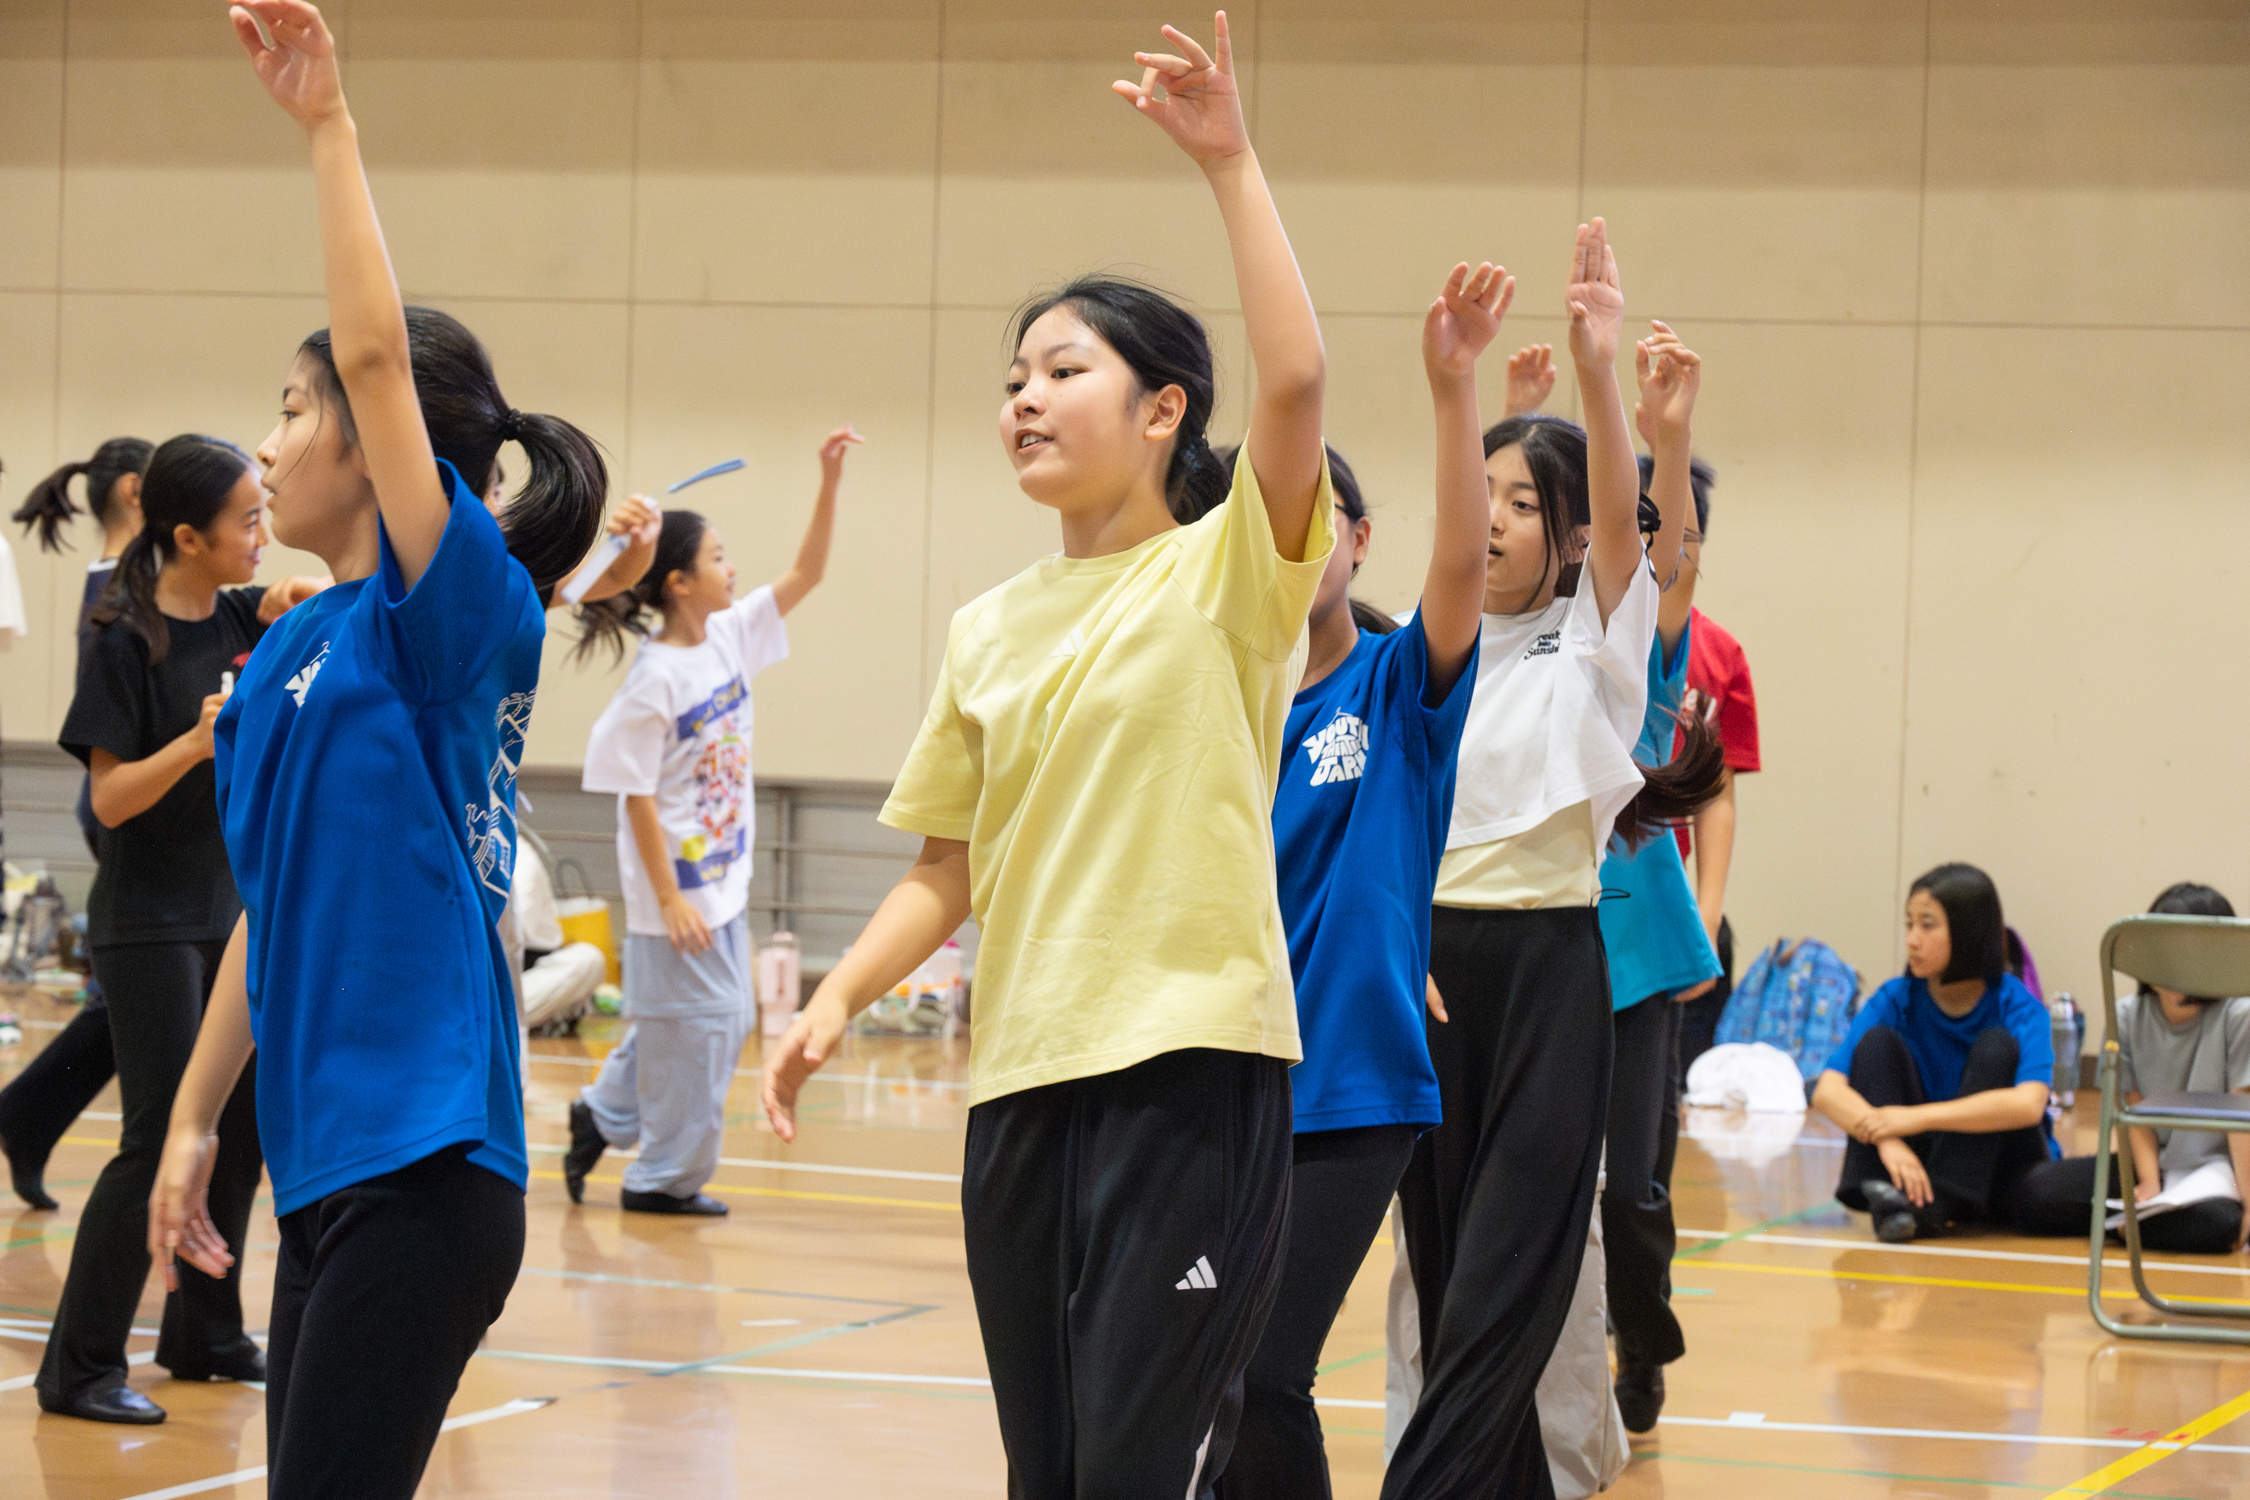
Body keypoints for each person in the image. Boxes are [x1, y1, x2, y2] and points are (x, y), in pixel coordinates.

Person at [762, 18, 1331, 1492]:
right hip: (1020, 1083)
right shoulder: (989, 626)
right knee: (1050, 1474)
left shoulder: (1228, 574)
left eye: (1060, 370)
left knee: (1135, 1472)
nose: (1021, 394)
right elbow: (947, 868)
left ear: (1160, 410)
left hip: (1189, 1071)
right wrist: (830, 1001)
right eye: (1012, 373)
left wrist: (1229, 159)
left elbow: (1295, 385)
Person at [149, 5, 610, 1494]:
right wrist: (194, 1125)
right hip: (324, 1159)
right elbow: (266, 920)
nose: (268, 445)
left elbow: (372, 351)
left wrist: (328, 127)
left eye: (291, 412)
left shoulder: (451, 614)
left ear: (373, 438)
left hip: (429, 1163)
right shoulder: (286, 643)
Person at [1387, 223, 1719, 1500]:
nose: (1502, 524)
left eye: (1531, 508)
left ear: (1574, 539)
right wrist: (1459, 390)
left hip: (1548, 966)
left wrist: (1597, 370)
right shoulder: (1441, 649)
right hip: (1430, 971)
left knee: (1511, 1279)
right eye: (1495, 503)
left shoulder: (1595, 647)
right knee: (1446, 1259)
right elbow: (1456, 537)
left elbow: (1643, 541)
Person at [1212, 262, 1502, 1497]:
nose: (1299, 542)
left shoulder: (1395, 689)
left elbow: (1462, 571)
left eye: (1323, 519)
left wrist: (1453, 388)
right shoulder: (1215, 707)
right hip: (1218, 1081)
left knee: (1263, 1366)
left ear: (1356, 540)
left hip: (1352, 1086)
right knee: (1209, 1377)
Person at [34, 435, 300, 1424]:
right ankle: (79, 1366)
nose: (261, 533)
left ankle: (203, 1333)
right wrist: (194, 743)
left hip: (224, 913)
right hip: (145, 923)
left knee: (239, 1133)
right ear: (189, 537)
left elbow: (307, 598)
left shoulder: (242, 612)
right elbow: (106, 801)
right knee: (156, 1140)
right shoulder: (123, 639)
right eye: (245, 521)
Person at [563, 427, 859, 1215]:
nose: (733, 569)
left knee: (683, 1021)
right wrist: (665, 899)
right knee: (712, 1025)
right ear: (679, 583)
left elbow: (809, 572)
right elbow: (634, 795)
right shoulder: (654, 680)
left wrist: (829, 479)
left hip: (722, 879)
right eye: (718, 558)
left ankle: (602, 1113)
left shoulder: (729, 635)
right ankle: (660, 1180)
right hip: (679, 894)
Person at [2, 437, 154, 1211]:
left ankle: (28, 1113)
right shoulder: (125, 587)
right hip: (124, 811)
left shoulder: (127, 578)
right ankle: (30, 1114)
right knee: (143, 1004)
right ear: (135, 490)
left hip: (134, 811)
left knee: (132, 1006)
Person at [1811, 863, 2055, 1243]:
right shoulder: (1895, 997)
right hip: (1921, 1163)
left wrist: (1913, 1119)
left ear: (1968, 932)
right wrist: (1886, 1138)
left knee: (1997, 1047)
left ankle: (1926, 1207)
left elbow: (2028, 1105)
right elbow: (1827, 1091)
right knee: (1876, 1043)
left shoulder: (2017, 1005)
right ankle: (1903, 1198)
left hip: (2001, 1163)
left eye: (1927, 925)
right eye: (1909, 924)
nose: (1912, 939)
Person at [2010, 882, 2250, 1253]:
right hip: (2149, 1164)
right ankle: (2142, 1224)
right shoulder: (2125, 1015)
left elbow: (2241, 1120)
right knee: (2033, 1194)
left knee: (2221, 1224)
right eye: (2164, 952)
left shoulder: (2239, 1014)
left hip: (2218, 1172)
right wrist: (2150, 1184)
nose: (2175, 966)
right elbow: (2132, 1111)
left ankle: (2129, 1227)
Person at [1663, 463, 1758, 1080]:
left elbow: (1714, 796)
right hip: (1576, 891)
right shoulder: (1569, 636)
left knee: (1660, 1079)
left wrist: (1709, 908)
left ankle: (1644, 1182)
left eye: (1681, 534)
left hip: (1661, 890)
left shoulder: (1717, 654)